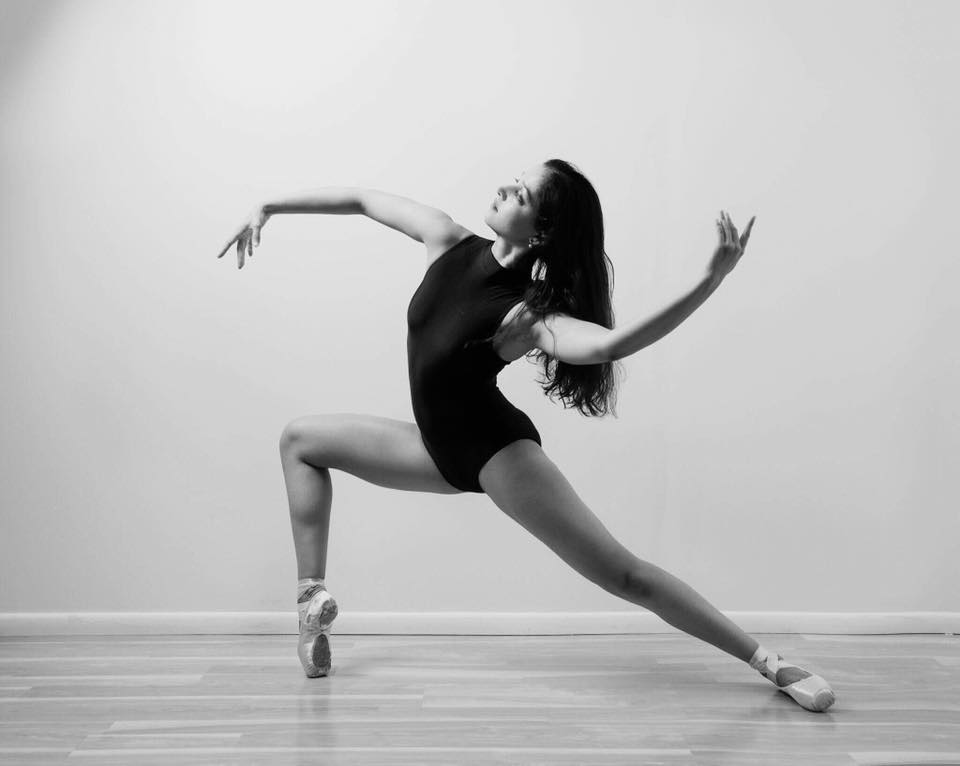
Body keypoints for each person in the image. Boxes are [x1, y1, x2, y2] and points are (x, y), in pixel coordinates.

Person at [216, 159, 835, 712]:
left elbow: (612, 345)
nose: (505, 186)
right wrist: (268, 204)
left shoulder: (530, 315)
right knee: (300, 441)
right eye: (515, 178)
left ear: (538, 231)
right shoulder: (444, 237)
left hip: (492, 451)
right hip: (433, 447)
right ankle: (311, 608)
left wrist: (709, 281)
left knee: (624, 575)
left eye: (521, 192)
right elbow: (358, 197)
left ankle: (768, 663)